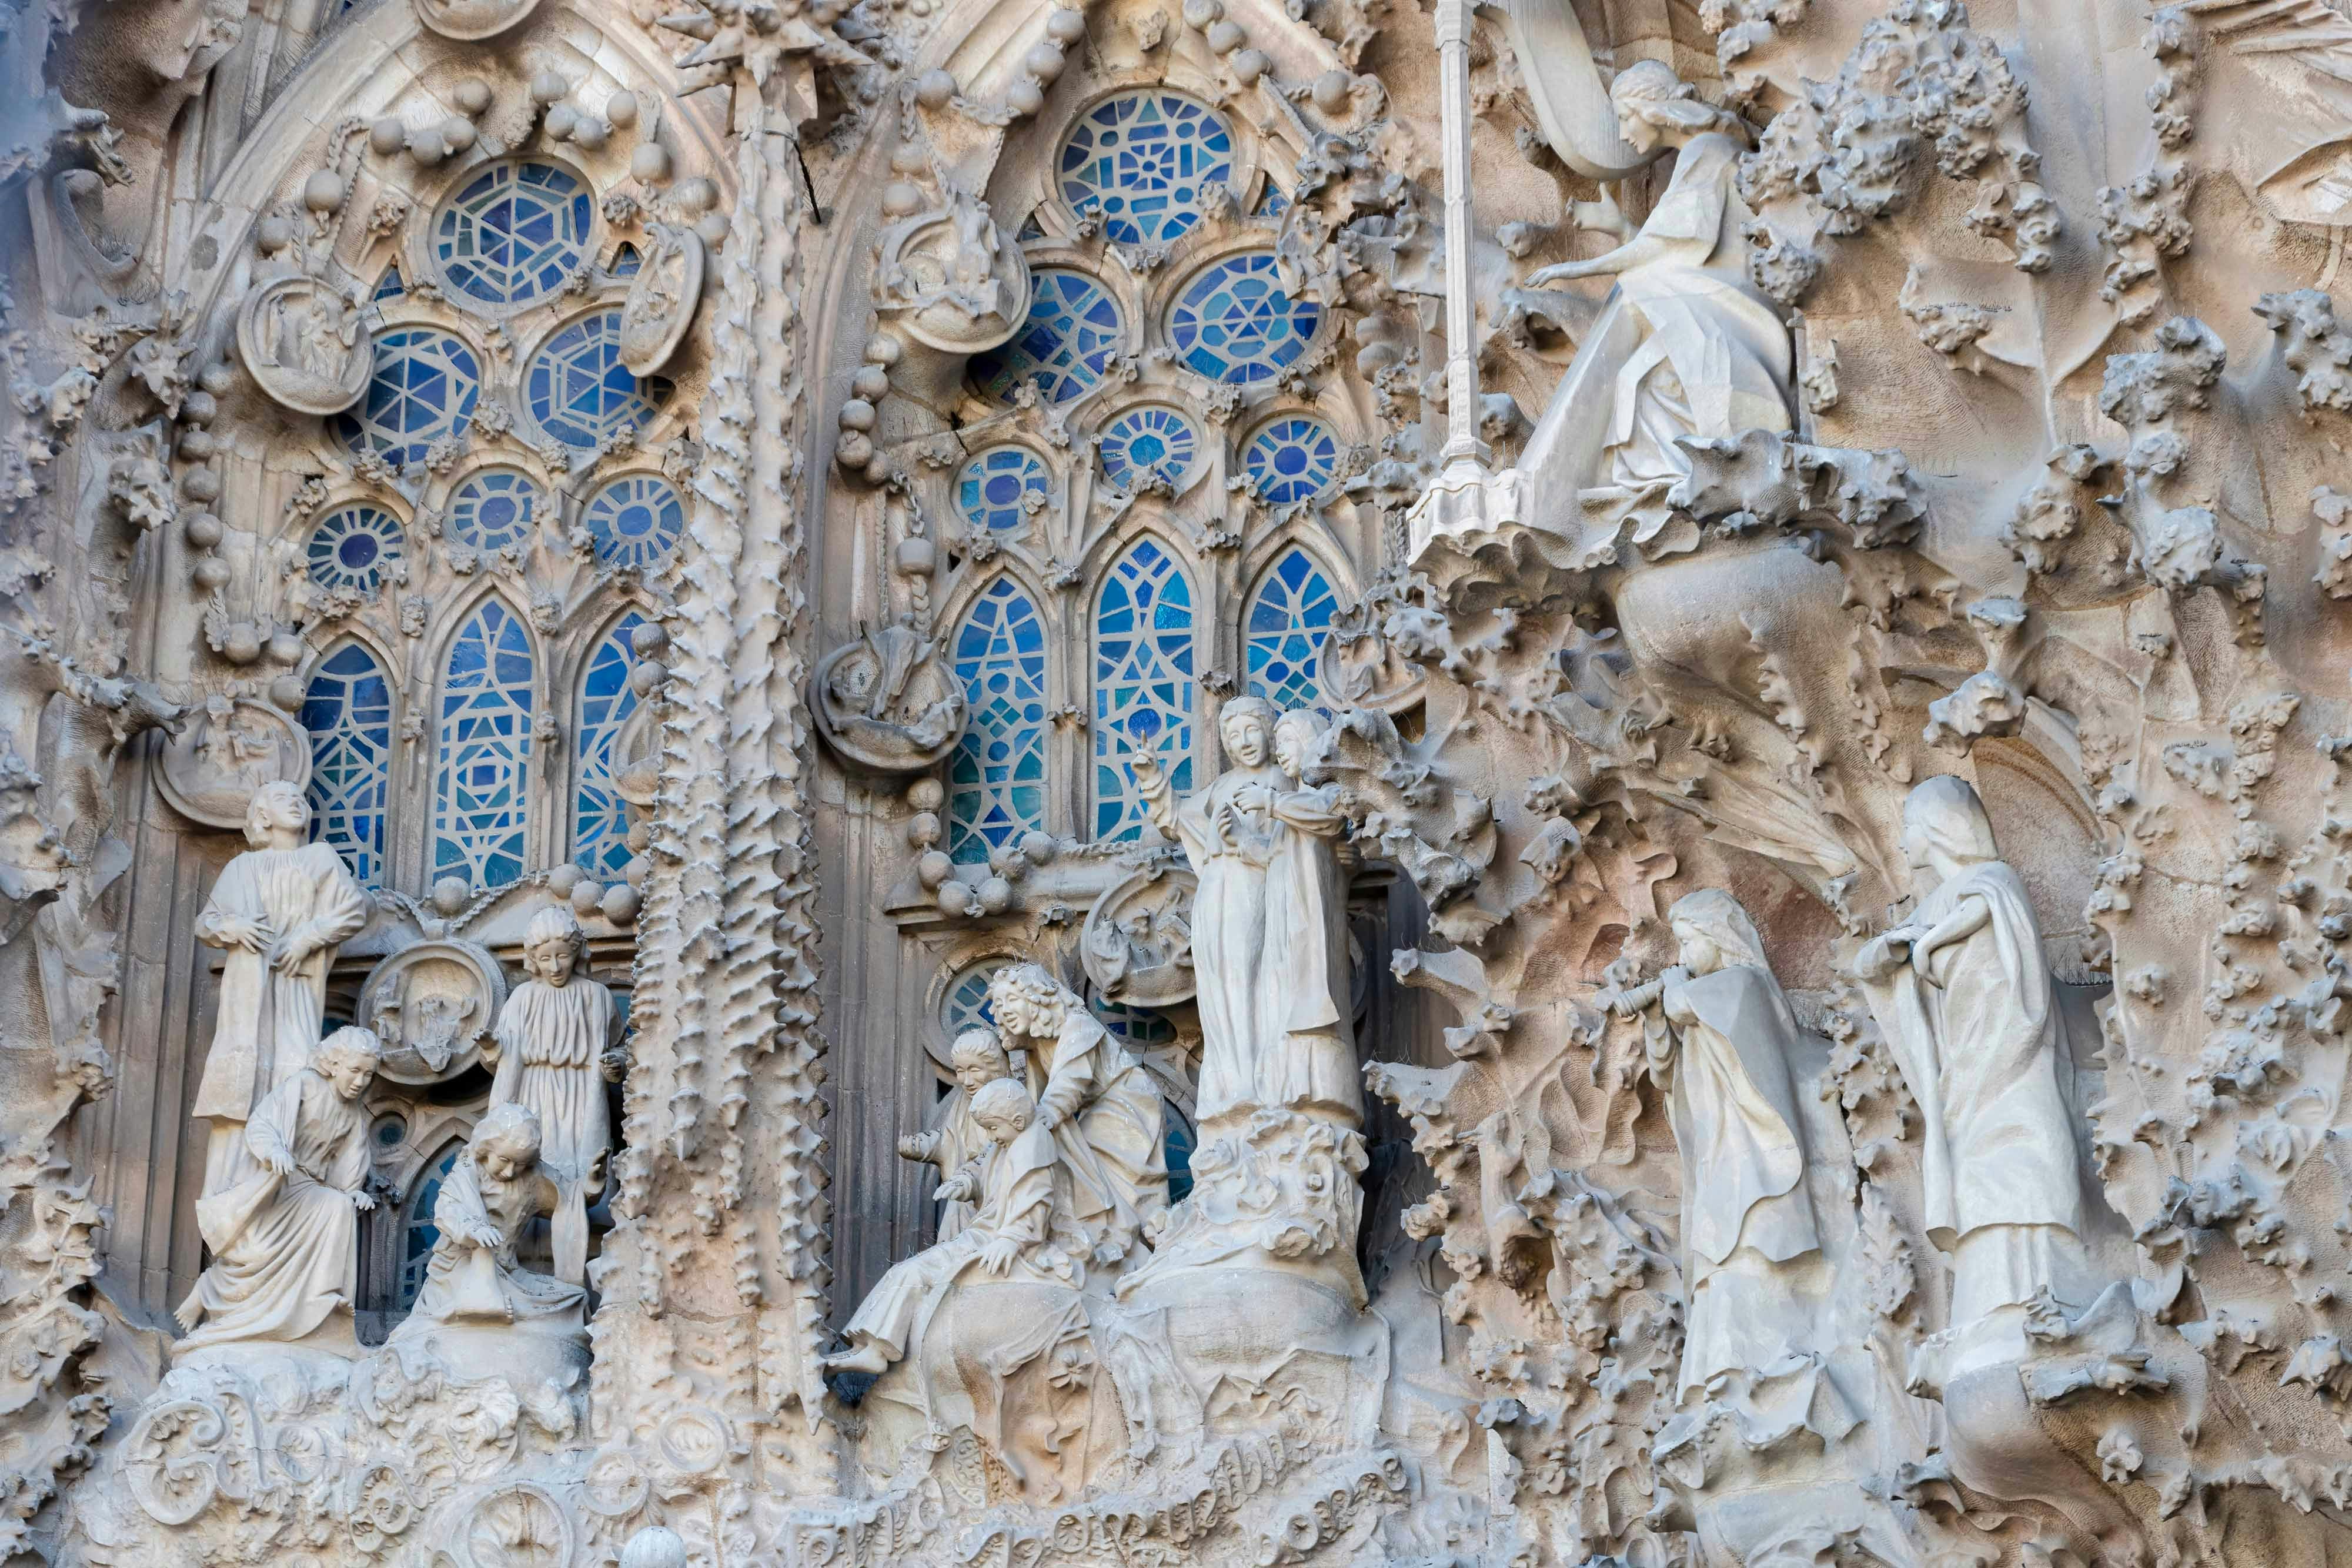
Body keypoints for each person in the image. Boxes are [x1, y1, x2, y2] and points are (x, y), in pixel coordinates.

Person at [1854, 775, 2097, 1356]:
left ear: (1939, 829)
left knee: (2024, 1156)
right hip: (1961, 1064)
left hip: (2011, 1050)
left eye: (1910, 828)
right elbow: (1884, 960)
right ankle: (1987, 1303)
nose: (1906, 843)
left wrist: (1927, 942)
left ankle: (2044, 1294)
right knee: (1976, 1177)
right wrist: (1886, 956)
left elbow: (1988, 909)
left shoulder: (1992, 880)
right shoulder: (1933, 902)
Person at [1519, 60, 1793, 561]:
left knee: (1645, 350)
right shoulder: (1702, 154)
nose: (1623, 133)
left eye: (1626, 117)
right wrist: (1624, 231)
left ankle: (1686, 481)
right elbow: (1676, 243)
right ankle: (1662, 487)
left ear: (1655, 109)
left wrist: (1577, 270)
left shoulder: (1709, 151)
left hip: (1725, 301)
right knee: (1633, 379)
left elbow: (1667, 248)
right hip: (1698, 291)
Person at [1609, 890, 1826, 1396]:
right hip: (1718, 1156)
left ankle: (1780, 1362)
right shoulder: (1701, 1001)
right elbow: (1667, 1073)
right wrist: (1657, 1018)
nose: (1681, 955)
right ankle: (1722, 1373)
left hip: (1756, 1151)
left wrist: (1673, 994)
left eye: (1688, 941)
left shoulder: (1745, 985)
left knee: (1755, 1248)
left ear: (1719, 938)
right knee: (1719, 1262)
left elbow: (1696, 1004)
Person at [1132, 698, 1358, 1124]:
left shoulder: (1284, 779)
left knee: (1257, 984)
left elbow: (1305, 837)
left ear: (1271, 735)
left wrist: (1249, 831)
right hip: (1216, 893)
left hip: (1260, 891)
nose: (1244, 742)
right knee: (1221, 988)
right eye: (1233, 735)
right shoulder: (1222, 786)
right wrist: (1153, 777)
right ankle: (1230, 1082)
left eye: (1253, 730)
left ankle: (1260, 1083)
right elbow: (1179, 816)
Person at [824, 1076, 1075, 1375]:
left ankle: (876, 1350)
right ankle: (867, 1346)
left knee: (915, 1273)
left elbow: (1036, 1205)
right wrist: (965, 1184)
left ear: (1018, 1120)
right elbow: (983, 1171)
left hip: (994, 1242)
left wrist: (1011, 1239)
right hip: (982, 1234)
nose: (991, 1137)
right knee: (905, 1271)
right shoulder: (1009, 1141)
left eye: (993, 1129)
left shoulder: (1033, 1147)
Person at [191, 781, 370, 1199]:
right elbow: (206, 923)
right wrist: (231, 927)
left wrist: (307, 938)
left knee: (294, 1071)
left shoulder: (319, 858)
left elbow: (352, 908)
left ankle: (290, 1190)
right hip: (248, 994)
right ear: (262, 817)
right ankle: (233, 1192)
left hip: (297, 985)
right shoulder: (242, 868)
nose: (295, 801)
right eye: (281, 798)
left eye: (300, 798)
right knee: (244, 1084)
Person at [175, 1028, 380, 1354]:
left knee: (339, 1207)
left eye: (368, 1075)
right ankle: (211, 1288)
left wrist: (353, 1191)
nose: (360, 1082)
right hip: (279, 1181)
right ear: (335, 1064)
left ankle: (321, 1299)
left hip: (313, 1188)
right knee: (257, 1251)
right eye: (354, 1071)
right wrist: (274, 1152)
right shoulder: (305, 1086)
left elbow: (351, 1163)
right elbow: (263, 1124)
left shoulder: (353, 1114)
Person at [985, 964, 1167, 1266]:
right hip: (1091, 1109)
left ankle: (1130, 1241)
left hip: (1125, 1102)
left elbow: (1070, 1082)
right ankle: (1093, 1234)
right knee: (1071, 1157)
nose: (1004, 1012)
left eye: (1012, 1001)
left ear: (1037, 999)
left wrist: (1045, 1117)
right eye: (999, 1006)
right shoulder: (1037, 1043)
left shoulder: (1078, 1025)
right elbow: (1037, 1098)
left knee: (1126, 1182)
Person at [485, 905, 620, 1285]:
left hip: (582, 1098)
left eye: (563, 955)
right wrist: (491, 1046)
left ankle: (576, 1275)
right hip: (534, 1096)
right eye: (545, 958)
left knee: (582, 1177)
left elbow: (621, 1047)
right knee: (528, 1175)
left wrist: (616, 1064)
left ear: (578, 951)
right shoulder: (524, 997)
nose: (556, 966)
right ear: (533, 960)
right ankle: (519, 1269)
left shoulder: (597, 997)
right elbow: (504, 1050)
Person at [395, 1102, 587, 1332]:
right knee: (500, 1308)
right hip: (461, 1268)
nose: (510, 1172)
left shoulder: (532, 1176)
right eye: (504, 1160)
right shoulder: (467, 1170)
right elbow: (449, 1209)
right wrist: (473, 1229)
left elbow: (569, 1195)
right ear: (487, 1147)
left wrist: (592, 1184)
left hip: (510, 1272)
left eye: (520, 1164)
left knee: (573, 1297)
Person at [900, 1028, 1017, 1239]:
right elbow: (951, 1139)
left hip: (1001, 1196)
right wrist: (924, 1148)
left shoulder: (1012, 1100)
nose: (967, 1081)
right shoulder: (964, 1102)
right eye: (961, 1071)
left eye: (975, 1070)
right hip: (967, 1194)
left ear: (996, 1067)